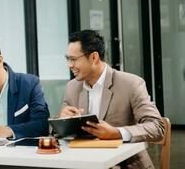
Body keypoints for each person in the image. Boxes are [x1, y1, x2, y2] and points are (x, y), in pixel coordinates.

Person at [59, 29, 165, 168]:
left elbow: (157, 127)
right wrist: (62, 121)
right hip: (84, 163)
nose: (70, 65)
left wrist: (117, 133)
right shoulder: (72, 87)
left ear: (94, 58)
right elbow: (56, 131)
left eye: (74, 59)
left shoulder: (131, 84)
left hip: (125, 164)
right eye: (68, 59)